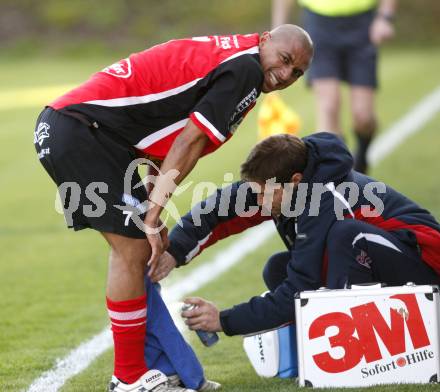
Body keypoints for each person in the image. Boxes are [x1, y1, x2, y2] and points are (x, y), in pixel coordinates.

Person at [33, 25, 313, 392]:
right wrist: (153, 211)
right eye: (285, 60)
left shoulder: (241, 59)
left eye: (297, 72)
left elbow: (158, 134)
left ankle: (159, 369)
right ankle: (129, 377)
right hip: (82, 131)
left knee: (140, 250)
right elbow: (190, 139)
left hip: (92, 135)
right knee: (132, 249)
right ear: (265, 41)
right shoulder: (246, 69)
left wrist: (154, 206)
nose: (286, 75)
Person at [151, 132, 440, 338]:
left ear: (295, 182)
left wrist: (224, 320)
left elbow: (300, 289)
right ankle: (325, 343)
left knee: (347, 235)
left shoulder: (324, 198)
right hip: (381, 265)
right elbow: (217, 208)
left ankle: (358, 344)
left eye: (265, 193)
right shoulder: (282, 184)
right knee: (277, 268)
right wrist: (173, 252)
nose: (260, 201)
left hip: (426, 271)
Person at [272, 0, 397, 173]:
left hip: (362, 24)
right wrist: (278, 30)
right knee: (329, 106)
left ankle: (361, 155)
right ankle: (337, 175)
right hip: (319, 25)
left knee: (364, 117)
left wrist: (385, 17)